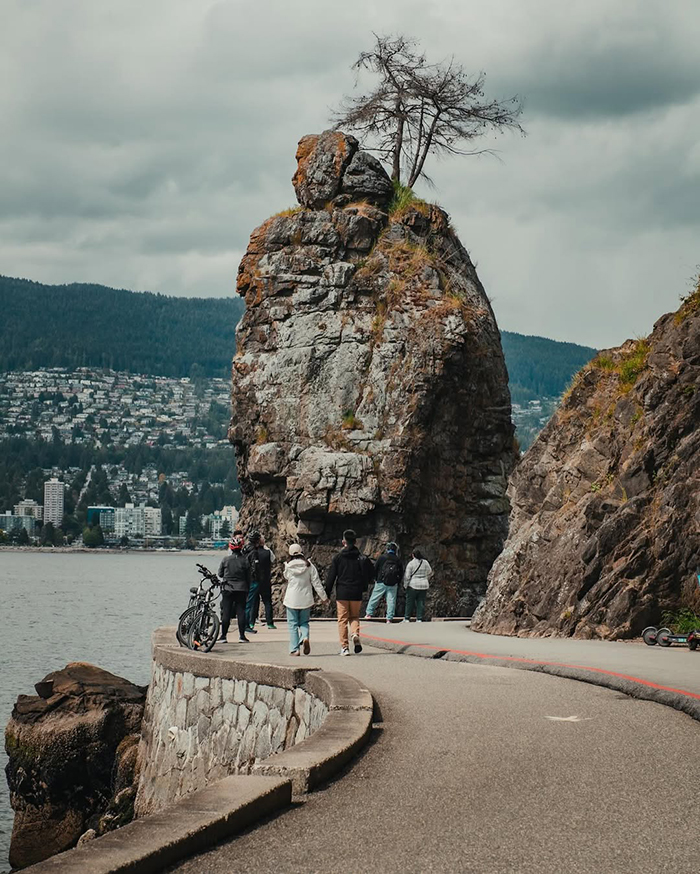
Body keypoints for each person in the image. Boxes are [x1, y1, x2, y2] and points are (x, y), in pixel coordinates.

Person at [325, 529, 373, 656]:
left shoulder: (338, 558)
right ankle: (355, 634)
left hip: (342, 592)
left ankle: (345, 647)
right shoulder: (361, 558)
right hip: (356, 592)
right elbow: (371, 573)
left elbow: (331, 577)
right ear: (355, 542)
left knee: (342, 620)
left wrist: (327, 593)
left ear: (343, 542)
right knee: (354, 616)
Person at [283, 543, 328, 656]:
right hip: (306, 599)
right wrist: (324, 597)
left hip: (291, 599)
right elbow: (316, 583)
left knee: (293, 625)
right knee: (304, 622)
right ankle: (305, 636)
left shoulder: (288, 566)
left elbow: (286, 577)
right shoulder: (309, 565)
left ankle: (295, 649)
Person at [218, 532, 251, 643]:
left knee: (226, 612)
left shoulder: (225, 559)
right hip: (241, 588)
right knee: (241, 612)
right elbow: (249, 576)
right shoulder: (245, 560)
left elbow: (220, 574)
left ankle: (223, 636)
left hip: (228, 588)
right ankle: (242, 636)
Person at [243, 531, 276, 633]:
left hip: (252, 580)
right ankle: (270, 623)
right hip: (265, 580)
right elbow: (273, 559)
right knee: (267, 602)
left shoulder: (247, 551)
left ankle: (251, 622)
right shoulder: (267, 552)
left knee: (253, 602)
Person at [366, 541, 403, 623]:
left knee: (374, 598)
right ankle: (389, 618)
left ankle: (369, 614)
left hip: (381, 581)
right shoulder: (397, 559)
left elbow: (375, 568)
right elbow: (401, 572)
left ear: (387, 549)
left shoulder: (382, 557)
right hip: (393, 583)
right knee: (391, 601)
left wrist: (376, 578)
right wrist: (398, 581)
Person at [403, 549, 433, 622]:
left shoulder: (411, 563)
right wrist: (426, 578)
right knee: (421, 602)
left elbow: (407, 576)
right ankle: (419, 618)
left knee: (410, 602)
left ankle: (407, 618)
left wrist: (405, 585)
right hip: (424, 585)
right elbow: (430, 572)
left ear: (413, 555)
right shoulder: (425, 562)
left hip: (413, 585)